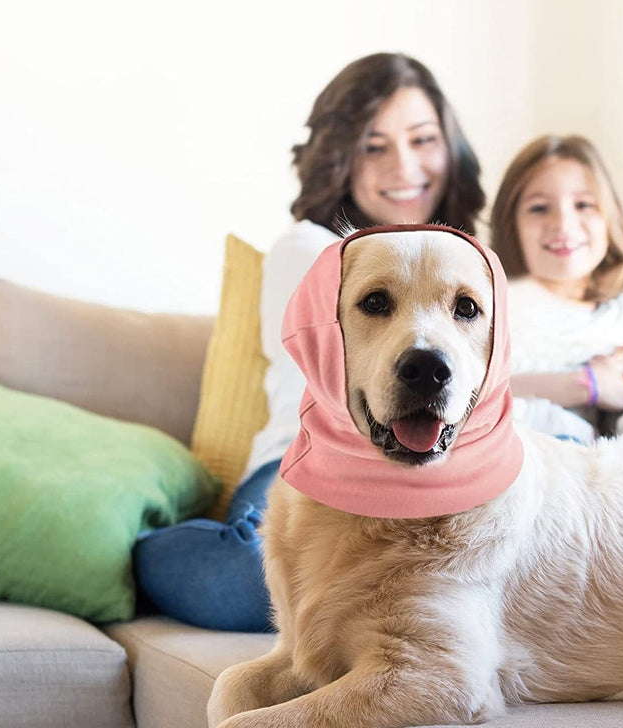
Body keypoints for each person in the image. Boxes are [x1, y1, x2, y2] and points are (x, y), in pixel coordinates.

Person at [133, 53, 485, 631]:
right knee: (248, 586)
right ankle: (140, 547)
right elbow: (327, 373)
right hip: (302, 460)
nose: (404, 165)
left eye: (423, 139)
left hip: (433, 462)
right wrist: (582, 382)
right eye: (374, 146)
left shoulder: (472, 266)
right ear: (340, 156)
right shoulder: (311, 248)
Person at [490, 134, 623, 443]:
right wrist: (585, 384)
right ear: (512, 226)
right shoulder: (496, 309)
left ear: (610, 219)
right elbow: (472, 395)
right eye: (539, 208)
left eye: (583, 205)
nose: (563, 223)